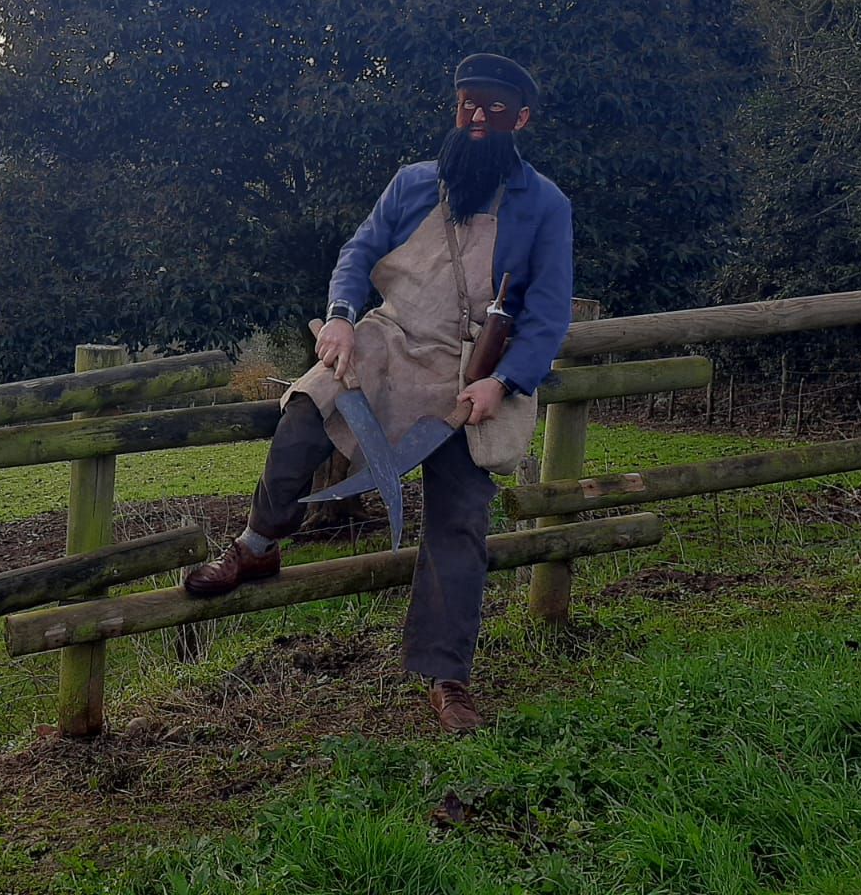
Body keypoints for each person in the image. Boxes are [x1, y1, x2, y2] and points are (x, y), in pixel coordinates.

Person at [183, 52, 574, 732]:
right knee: (305, 415)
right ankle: (257, 544)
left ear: (523, 118)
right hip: (388, 343)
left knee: (459, 520)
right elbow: (357, 257)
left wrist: (504, 381)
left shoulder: (545, 205)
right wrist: (340, 319)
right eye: (467, 105)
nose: (478, 118)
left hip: (471, 371)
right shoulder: (413, 184)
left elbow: (547, 313)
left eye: (494, 108)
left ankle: (446, 676)